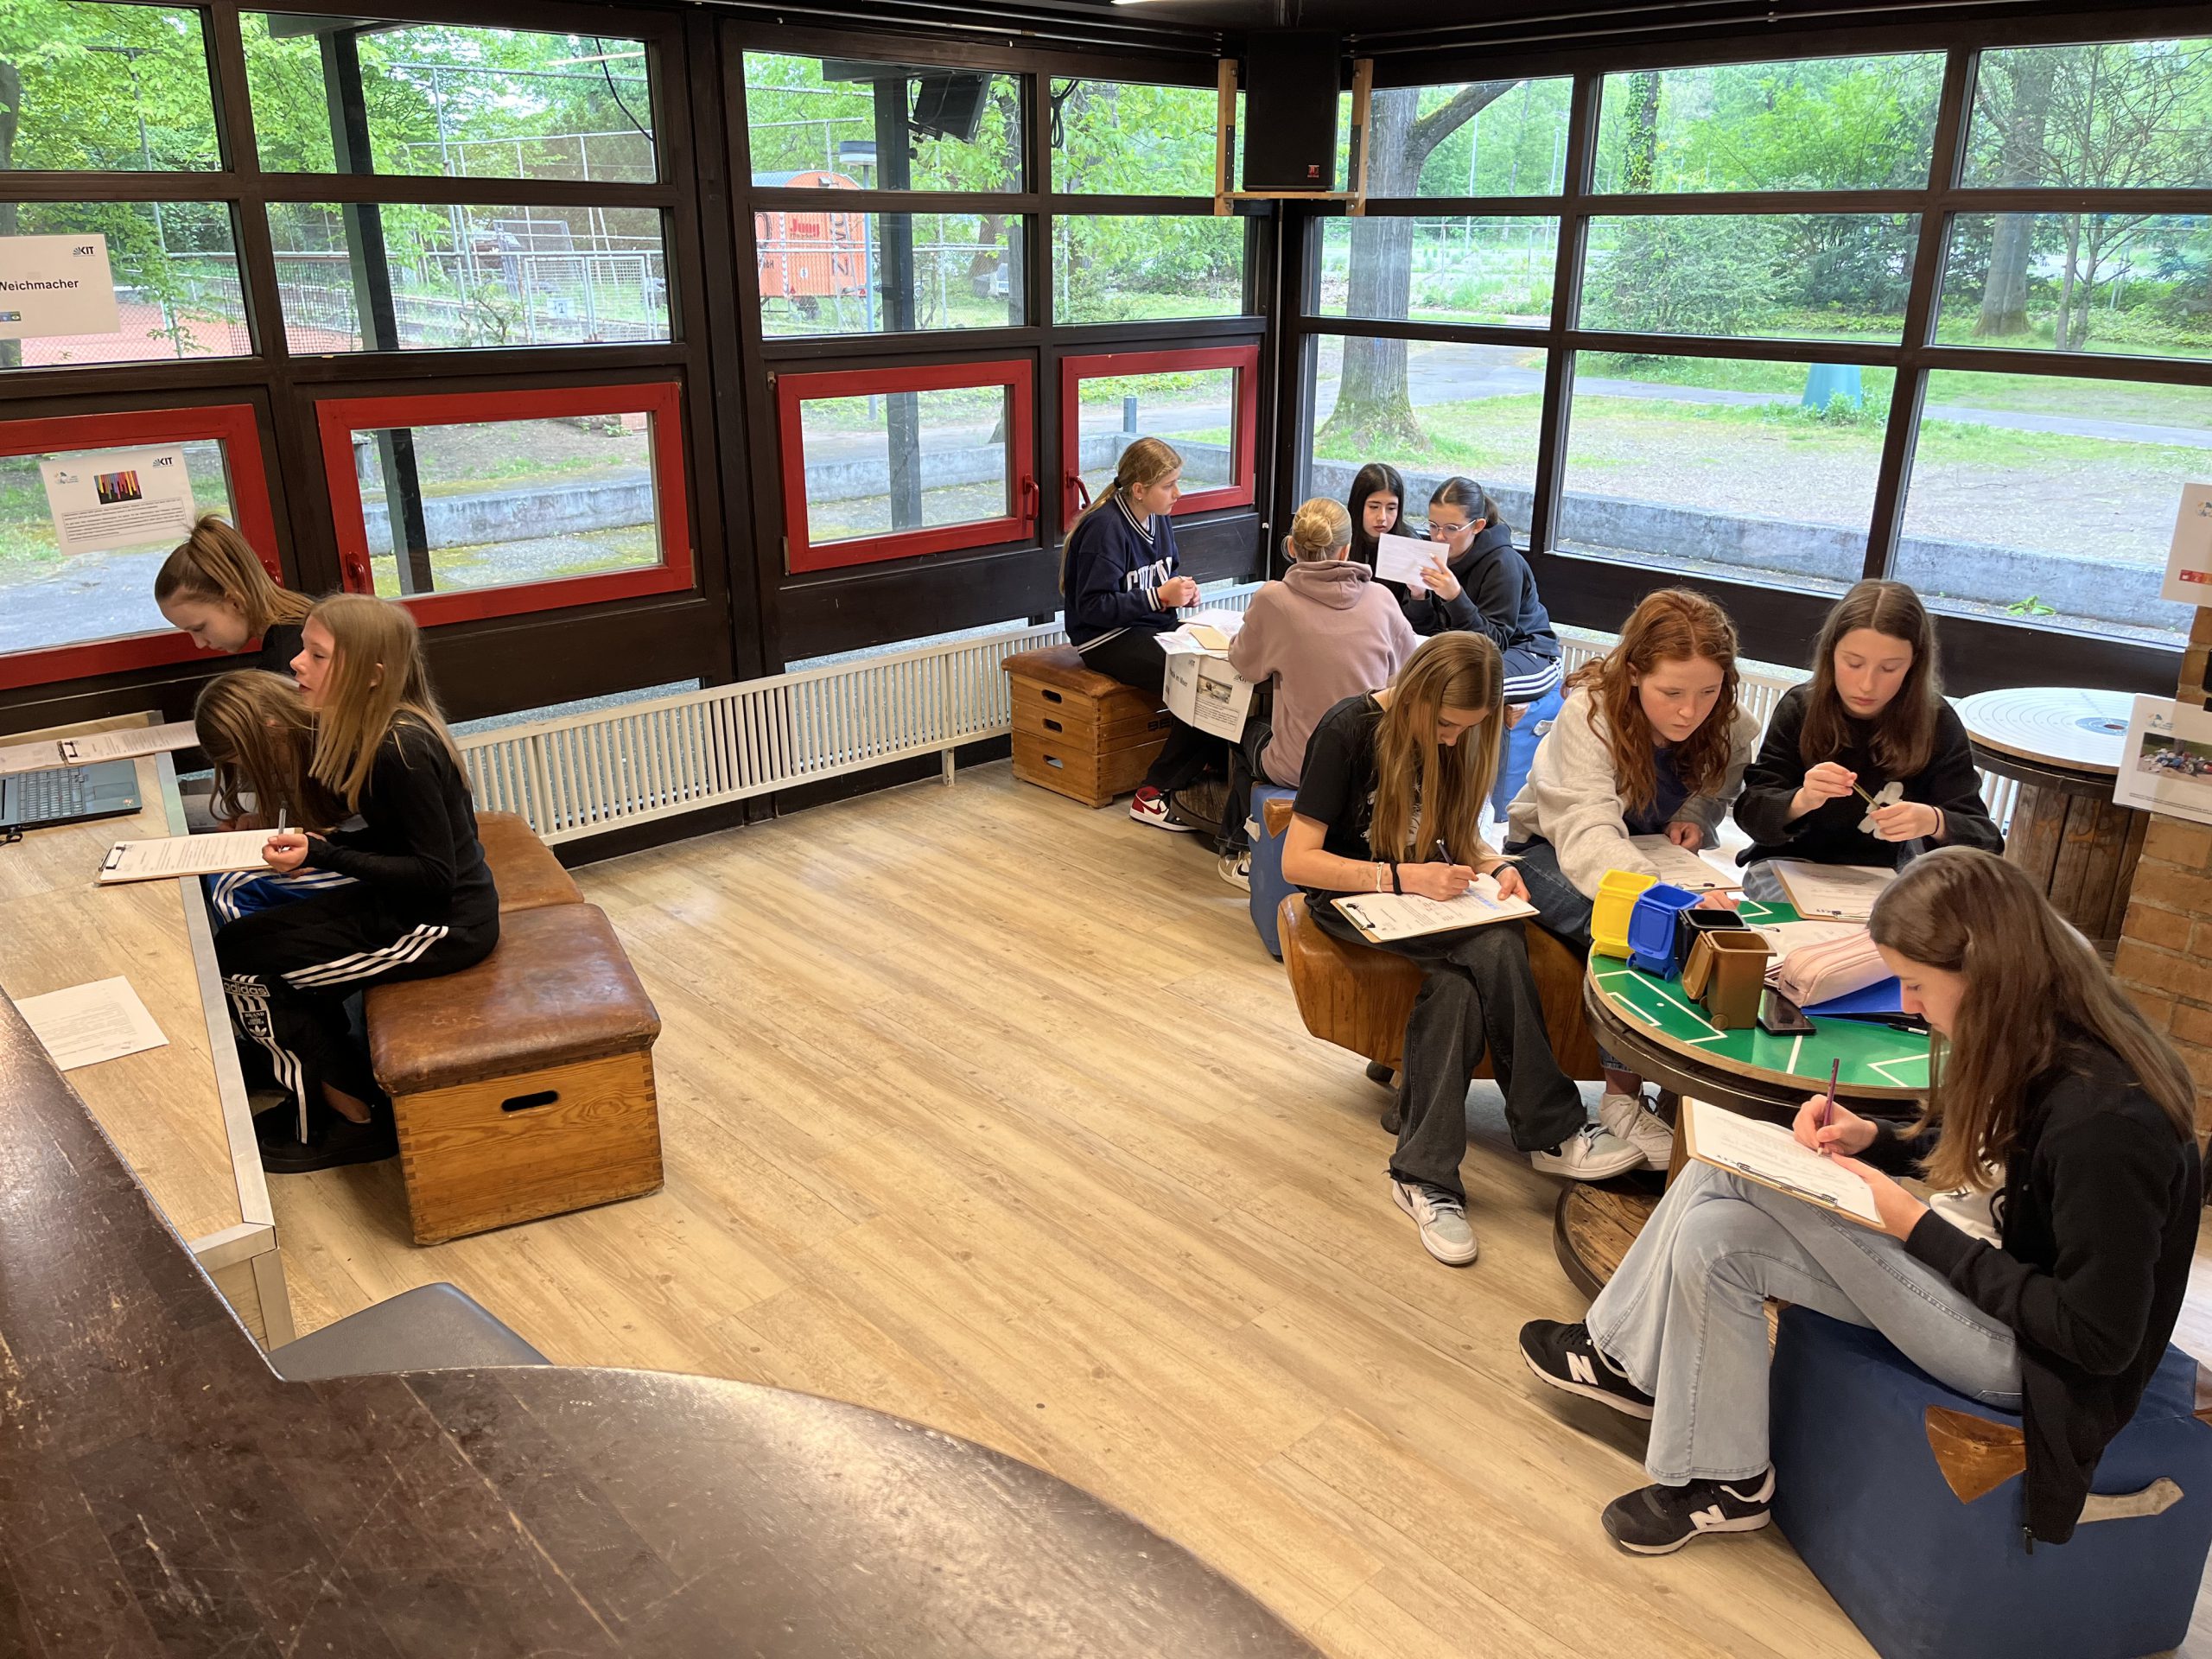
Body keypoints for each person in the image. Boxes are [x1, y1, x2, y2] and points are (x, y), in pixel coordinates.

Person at [1519, 846, 2202, 1555]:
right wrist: (1873, 1138)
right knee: (1715, 1234)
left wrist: (1918, 1229)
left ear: (1987, 972)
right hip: (1985, 1287)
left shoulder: (2105, 1123)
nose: (1908, 1005)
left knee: (1740, 1176)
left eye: (1916, 984)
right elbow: (1999, 1152)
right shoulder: (2041, 1030)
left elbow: (2097, 1339)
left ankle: (1621, 1359)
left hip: (2029, 1365)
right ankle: (1725, 1479)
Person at [1280, 633, 1637, 1270]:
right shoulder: (1347, 729)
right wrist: (1400, 877)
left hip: (1416, 897)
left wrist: (1496, 866)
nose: (1451, 741)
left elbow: (1459, 837)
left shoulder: (1453, 740)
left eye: (1465, 729)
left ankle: (1423, 1176)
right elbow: (1298, 861)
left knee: (1458, 986)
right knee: (1495, 938)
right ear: (1415, 693)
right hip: (1352, 900)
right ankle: (1551, 1128)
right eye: (1445, 725)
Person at [216, 595, 499, 1174]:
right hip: (408, 906)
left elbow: (434, 876)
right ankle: (333, 1082)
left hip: (442, 926)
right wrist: (321, 847)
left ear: (372, 675)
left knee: (248, 973)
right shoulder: (382, 730)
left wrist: (327, 853)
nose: (296, 663)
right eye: (304, 650)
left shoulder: (400, 749)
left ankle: (351, 1118)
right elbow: (404, 842)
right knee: (237, 943)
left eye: (317, 656)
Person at [1504, 588, 1762, 1171]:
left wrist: (1696, 814)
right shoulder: (1589, 716)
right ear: (1636, 672)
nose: (1690, 711)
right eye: (1672, 693)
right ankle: (1622, 1100)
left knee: (1717, 932)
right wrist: (1662, 900)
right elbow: (1588, 830)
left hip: (1650, 856)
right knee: (1634, 931)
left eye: (1708, 692)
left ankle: (1687, 1089)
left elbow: (1729, 768)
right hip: (1550, 852)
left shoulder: (1727, 720)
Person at [1733, 580, 2001, 902]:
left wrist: (1935, 821)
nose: (1867, 685)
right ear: (1831, 653)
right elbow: (1752, 816)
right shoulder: (1800, 708)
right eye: (1854, 663)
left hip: (1886, 878)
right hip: (1787, 868)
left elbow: (1987, 842)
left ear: (1914, 663)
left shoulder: (1936, 721)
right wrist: (1801, 800)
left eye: (1889, 668)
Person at [1221, 498, 1420, 888]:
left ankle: (1238, 850)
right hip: (1372, 765)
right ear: (1346, 550)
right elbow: (1407, 671)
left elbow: (1246, 664)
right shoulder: (1381, 599)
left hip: (1300, 767)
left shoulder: (1274, 599)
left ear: (1291, 547)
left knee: (1241, 733)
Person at [1060, 436, 1222, 832]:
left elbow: (1165, 572)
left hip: (1151, 626)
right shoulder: (1104, 528)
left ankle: (1209, 772)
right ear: (1139, 490)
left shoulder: (1159, 516)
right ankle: (1153, 792)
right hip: (1106, 638)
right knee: (1197, 682)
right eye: (1169, 485)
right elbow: (1092, 608)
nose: (1177, 494)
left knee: (1223, 669)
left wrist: (1182, 590)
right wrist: (1158, 596)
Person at [1397, 477, 1564, 817]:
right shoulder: (1438, 555)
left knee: (1475, 686)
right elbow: (1428, 632)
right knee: (1418, 677)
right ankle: (1423, 788)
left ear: (1478, 526)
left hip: (1532, 653)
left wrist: (1455, 596)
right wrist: (1418, 595)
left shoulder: (1504, 563)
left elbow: (1493, 644)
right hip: (1479, 653)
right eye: (1432, 526)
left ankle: (1482, 806)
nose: (1439, 537)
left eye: (1451, 528)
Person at [191, 669, 354, 925]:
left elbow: (357, 836)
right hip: (338, 849)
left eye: (253, 763)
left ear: (273, 730)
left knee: (231, 885)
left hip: (369, 865)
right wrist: (267, 822)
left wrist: (319, 851)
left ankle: (263, 946)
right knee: (220, 872)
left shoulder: (340, 750)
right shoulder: (304, 742)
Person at [154, 513, 313, 676]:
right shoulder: (309, 613)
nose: (199, 643)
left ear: (236, 602)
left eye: (199, 628)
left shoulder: (285, 665)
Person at [1344, 461, 1408, 570]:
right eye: (1374, 507)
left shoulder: (1408, 543)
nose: (1382, 518)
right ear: (1358, 505)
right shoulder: (1338, 538)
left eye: (1391, 508)